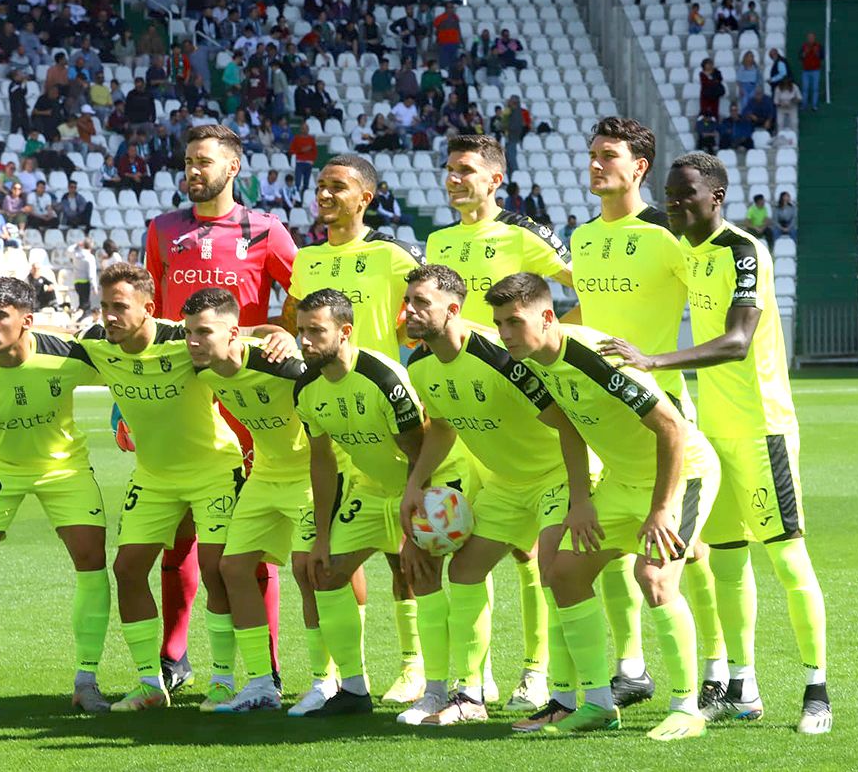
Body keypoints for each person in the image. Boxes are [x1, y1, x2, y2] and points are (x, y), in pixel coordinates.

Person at [600, 151, 833, 736]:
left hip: (762, 427)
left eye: (688, 195)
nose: (677, 205)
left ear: (717, 196)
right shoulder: (687, 250)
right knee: (727, 562)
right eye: (672, 196)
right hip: (714, 431)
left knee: (786, 558)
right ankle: (741, 686)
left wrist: (653, 360)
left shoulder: (743, 250)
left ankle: (816, 691)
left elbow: (736, 341)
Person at [486, 272, 721, 741]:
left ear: (548, 316)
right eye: (498, 323)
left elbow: (672, 428)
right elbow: (570, 428)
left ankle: (687, 707)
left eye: (514, 321)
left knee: (652, 578)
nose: (505, 334)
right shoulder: (533, 360)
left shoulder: (594, 358)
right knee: (562, 573)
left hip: (682, 475)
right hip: (621, 482)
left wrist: (660, 509)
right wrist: (580, 502)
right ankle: (597, 703)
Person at [566, 116, 725, 712]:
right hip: (597, 416)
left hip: (661, 409)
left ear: (639, 168)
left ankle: (719, 670)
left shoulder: (668, 233)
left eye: (609, 155)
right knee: (602, 542)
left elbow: (713, 301)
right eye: (592, 154)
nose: (596, 163)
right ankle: (630, 667)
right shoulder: (581, 238)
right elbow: (585, 312)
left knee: (687, 550)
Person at [396, 265, 596, 727]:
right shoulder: (421, 364)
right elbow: (443, 426)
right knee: (465, 570)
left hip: (554, 476)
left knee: (552, 569)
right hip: (505, 485)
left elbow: (568, 425)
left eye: (421, 302)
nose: (410, 310)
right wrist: (415, 484)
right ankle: (469, 695)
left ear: (453, 308)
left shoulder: (501, 356)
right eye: (409, 300)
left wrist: (580, 496)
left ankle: (563, 693)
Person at [144, 124, 298, 695]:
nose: (192, 171)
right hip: (178, 396)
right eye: (187, 161)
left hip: (243, 399)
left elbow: (301, 294)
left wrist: (283, 336)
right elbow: (150, 314)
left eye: (203, 162)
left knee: (250, 535)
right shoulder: (163, 231)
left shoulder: (265, 230)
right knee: (176, 529)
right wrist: (126, 408)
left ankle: (269, 666)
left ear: (232, 168)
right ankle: (172, 655)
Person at [71, 266, 249, 711]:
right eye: (104, 306)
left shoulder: (182, 338)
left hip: (213, 468)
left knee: (216, 570)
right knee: (128, 569)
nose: (109, 316)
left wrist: (276, 334)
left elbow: (241, 334)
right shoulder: (98, 343)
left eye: (120, 307)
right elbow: (49, 339)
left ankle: (224, 680)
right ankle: (151, 683)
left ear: (148, 309)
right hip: (154, 476)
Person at [292, 288, 474, 717]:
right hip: (370, 490)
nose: (304, 341)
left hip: (423, 484)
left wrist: (414, 527)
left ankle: (435, 691)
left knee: (422, 574)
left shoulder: (384, 379)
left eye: (315, 331)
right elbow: (322, 463)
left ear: (346, 331)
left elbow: (419, 451)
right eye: (299, 330)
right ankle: (352, 691)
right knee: (327, 572)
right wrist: (322, 537)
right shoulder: (306, 388)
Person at [0, 277, 110, 718]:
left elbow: (124, 370)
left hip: (62, 467)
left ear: (26, 321)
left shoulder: (66, 354)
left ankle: (86, 682)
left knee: (91, 559)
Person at [183, 288, 319, 714]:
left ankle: (329, 680)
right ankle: (261, 683)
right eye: (189, 332)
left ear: (233, 333)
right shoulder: (201, 367)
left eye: (204, 332)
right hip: (264, 475)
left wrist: (283, 333)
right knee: (231, 567)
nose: (193, 341)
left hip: (310, 475)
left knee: (311, 571)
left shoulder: (282, 364)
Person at [427, 135, 573, 330]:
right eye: (450, 170)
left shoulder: (523, 233)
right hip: (445, 360)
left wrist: (554, 334)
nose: (453, 179)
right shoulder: (437, 240)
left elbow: (594, 291)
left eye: (465, 171)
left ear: (494, 181)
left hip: (505, 360)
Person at [288, 155, 423, 363]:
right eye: (320, 186)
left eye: (337, 187)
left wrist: (394, 338)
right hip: (318, 387)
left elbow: (441, 301)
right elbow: (291, 320)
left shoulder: (393, 253)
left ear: (365, 198)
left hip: (377, 388)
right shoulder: (305, 257)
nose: (323, 194)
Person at [289, 122, 318, 195]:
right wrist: (301, 150)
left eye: (306, 128)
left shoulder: (311, 139)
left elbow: (315, 152)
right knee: (297, 183)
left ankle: (304, 198)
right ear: (301, 129)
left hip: (309, 163)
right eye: (303, 128)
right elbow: (291, 150)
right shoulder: (297, 138)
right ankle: (296, 200)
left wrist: (312, 160)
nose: (305, 130)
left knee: (306, 184)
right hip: (300, 162)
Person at [433, 1, 462, 69]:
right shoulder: (439, 18)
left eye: (452, 8)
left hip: (454, 43)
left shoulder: (456, 18)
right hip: (443, 43)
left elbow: (458, 30)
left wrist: (460, 41)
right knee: (444, 63)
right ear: (445, 9)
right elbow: (435, 30)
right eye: (449, 8)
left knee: (453, 64)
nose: (450, 9)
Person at [799, 32, 823, 111]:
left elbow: (822, 56)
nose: (810, 39)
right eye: (809, 38)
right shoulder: (804, 46)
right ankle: (804, 105)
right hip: (806, 70)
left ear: (814, 38)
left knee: (815, 89)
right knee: (805, 89)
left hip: (816, 70)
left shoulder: (818, 46)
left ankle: (814, 105)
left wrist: (817, 53)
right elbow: (800, 57)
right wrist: (804, 53)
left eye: (812, 38)